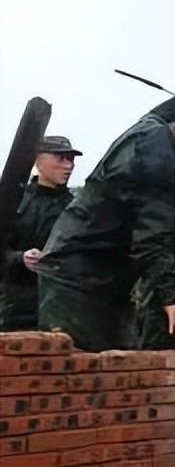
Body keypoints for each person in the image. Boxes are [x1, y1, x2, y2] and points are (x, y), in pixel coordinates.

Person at [36, 65, 175, 351]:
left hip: (101, 273)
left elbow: (157, 116)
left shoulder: (152, 132)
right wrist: (171, 299)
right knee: (75, 362)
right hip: (76, 275)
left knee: (117, 360)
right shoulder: (159, 160)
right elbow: (153, 237)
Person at [0, 136, 80, 330]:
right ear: (37, 161)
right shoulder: (12, 201)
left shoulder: (76, 208)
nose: (68, 165)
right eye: (60, 158)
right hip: (12, 308)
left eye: (71, 159)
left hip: (60, 309)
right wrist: (21, 258)